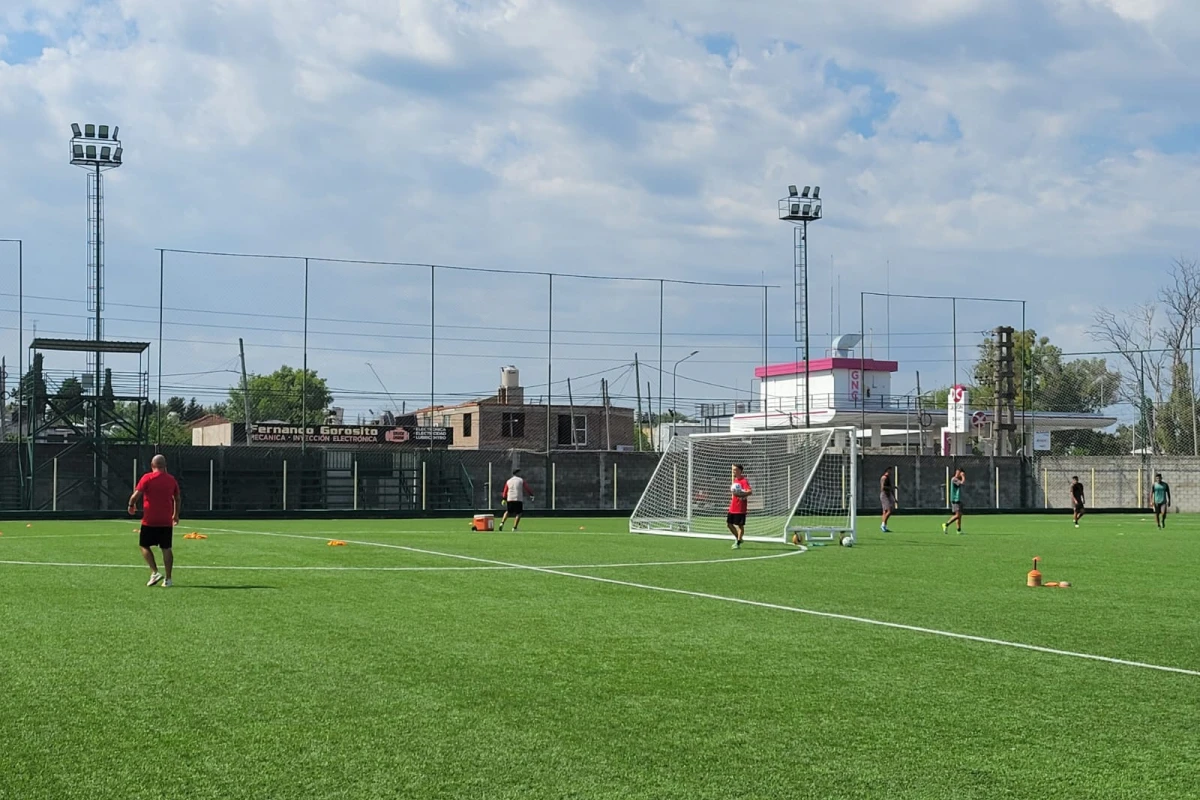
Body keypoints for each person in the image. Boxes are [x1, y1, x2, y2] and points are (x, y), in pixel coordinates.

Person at [128, 454, 181, 588]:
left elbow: (135, 496)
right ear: (165, 466)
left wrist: (131, 505)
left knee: (144, 545)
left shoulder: (147, 478)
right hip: (166, 520)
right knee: (166, 548)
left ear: (152, 466)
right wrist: (175, 515)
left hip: (150, 519)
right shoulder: (171, 480)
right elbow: (177, 498)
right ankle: (168, 579)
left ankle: (155, 571)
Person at [728, 464, 753, 549]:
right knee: (729, 524)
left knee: (740, 526)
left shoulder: (744, 481)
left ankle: (738, 543)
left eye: (735, 469)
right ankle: (739, 538)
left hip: (740, 507)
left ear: (739, 470)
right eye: (733, 469)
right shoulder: (735, 480)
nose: (733, 471)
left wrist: (741, 494)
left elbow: (750, 492)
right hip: (733, 506)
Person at [943, 468, 965, 534]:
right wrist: (963, 476)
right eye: (960, 472)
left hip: (958, 499)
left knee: (959, 515)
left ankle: (958, 530)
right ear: (957, 472)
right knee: (958, 515)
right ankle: (946, 524)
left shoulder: (957, 479)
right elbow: (962, 483)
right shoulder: (954, 479)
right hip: (955, 499)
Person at [880, 468, 897, 532]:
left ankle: (884, 526)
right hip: (884, 495)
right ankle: (883, 525)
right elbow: (883, 487)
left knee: (885, 511)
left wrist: (894, 498)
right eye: (890, 470)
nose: (891, 472)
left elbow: (891, 489)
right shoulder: (884, 478)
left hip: (888, 495)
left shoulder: (888, 478)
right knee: (889, 510)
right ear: (887, 471)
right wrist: (892, 487)